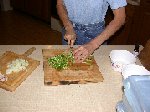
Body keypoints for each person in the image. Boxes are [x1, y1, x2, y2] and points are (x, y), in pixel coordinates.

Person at [57, 0, 127, 63]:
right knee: (67, 67)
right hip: (69, 31)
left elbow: (120, 18)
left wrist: (93, 45)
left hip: (95, 36)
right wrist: (68, 26)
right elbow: (60, 4)